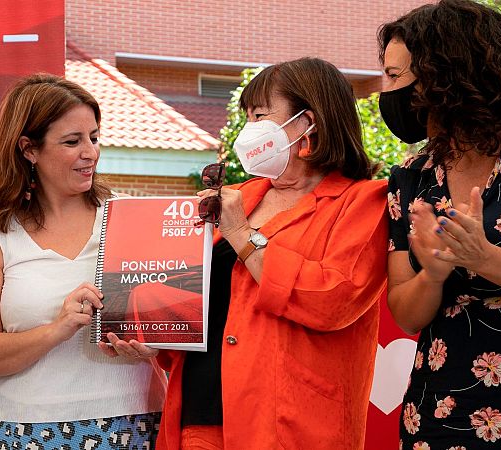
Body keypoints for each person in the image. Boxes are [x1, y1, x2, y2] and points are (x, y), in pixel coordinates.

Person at [146, 57, 388, 449]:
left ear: (308, 123)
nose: (249, 131)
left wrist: (242, 235)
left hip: (292, 426)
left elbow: (332, 300)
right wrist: (147, 330)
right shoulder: (236, 197)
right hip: (202, 415)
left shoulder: (364, 201)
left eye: (259, 116)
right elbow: (196, 305)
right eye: (247, 118)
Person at [0, 73, 167, 450]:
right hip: (21, 432)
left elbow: (176, 325)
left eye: (94, 136)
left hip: (134, 422)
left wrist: (158, 345)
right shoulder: (0, 232)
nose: (90, 152)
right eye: (72, 141)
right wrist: (57, 328)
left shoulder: (131, 218)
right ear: (29, 149)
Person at [380, 1, 501, 448]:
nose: (384, 90)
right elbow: (406, 314)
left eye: (394, 75)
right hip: (438, 411)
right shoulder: (413, 173)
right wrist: (434, 274)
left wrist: (483, 258)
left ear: (446, 75)